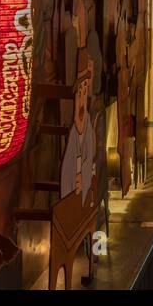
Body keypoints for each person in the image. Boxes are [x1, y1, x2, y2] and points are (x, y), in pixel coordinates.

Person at [60, 51, 96, 205]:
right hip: (74, 174)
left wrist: (83, 174)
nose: (81, 93)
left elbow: (89, 156)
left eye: (84, 89)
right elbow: (68, 164)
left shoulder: (87, 124)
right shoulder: (76, 125)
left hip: (83, 174)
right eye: (79, 90)